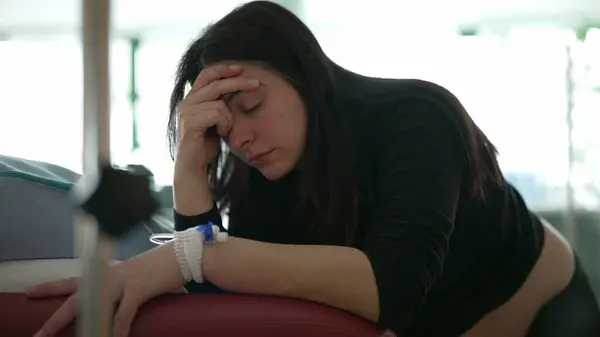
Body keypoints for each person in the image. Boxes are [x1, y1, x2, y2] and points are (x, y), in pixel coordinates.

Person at [26, 1, 599, 337]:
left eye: (250, 108)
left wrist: (182, 254)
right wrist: (190, 179)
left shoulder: (417, 117)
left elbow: (391, 288)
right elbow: (225, 282)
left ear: (306, 75)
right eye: (224, 130)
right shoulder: (259, 175)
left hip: (541, 309)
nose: (241, 138)